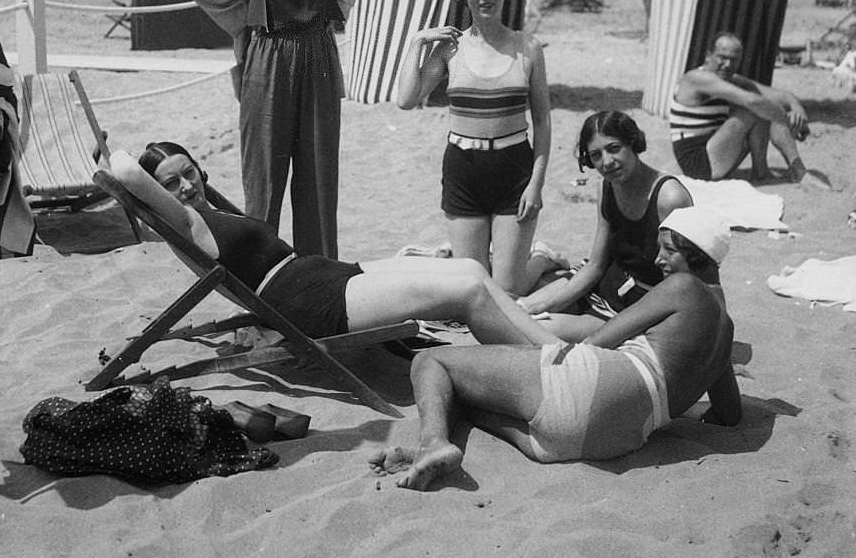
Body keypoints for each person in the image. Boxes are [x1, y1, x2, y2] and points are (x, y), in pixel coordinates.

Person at [368, 205, 741, 488]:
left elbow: (602, 338)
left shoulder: (685, 288)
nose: (659, 260)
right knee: (462, 395)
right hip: (615, 439)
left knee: (432, 362)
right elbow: (728, 415)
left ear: (699, 255)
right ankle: (433, 448)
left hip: (593, 384)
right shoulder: (726, 332)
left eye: (669, 251)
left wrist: (551, 355)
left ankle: (432, 442)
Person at [132, 141, 557, 348]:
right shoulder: (188, 224)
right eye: (170, 183)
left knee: (471, 270)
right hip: (307, 303)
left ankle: (553, 351)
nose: (186, 186)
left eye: (188, 172)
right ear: (157, 191)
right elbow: (121, 169)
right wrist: (103, 159)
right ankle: (545, 364)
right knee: (467, 291)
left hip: (318, 275)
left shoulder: (210, 209)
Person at [185, 0, 357, 259]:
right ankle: (262, 270)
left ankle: (319, 269)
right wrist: (244, 19)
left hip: (319, 55)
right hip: (269, 56)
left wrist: (335, 13)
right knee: (264, 173)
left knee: (318, 174)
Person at [395, 0, 551, 295]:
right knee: (475, 288)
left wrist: (536, 185)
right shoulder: (451, 49)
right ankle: (536, 260)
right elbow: (406, 99)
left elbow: (542, 119)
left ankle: (541, 260)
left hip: (515, 171)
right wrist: (417, 42)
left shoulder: (528, 47)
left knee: (509, 292)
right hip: (464, 171)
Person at [515, 111, 693, 340]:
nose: (607, 162)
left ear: (632, 143)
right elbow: (596, 265)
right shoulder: (607, 188)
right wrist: (541, 305)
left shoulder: (669, 198)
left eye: (614, 148)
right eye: (596, 155)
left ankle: (543, 265)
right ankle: (543, 263)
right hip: (605, 281)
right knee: (520, 310)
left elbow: (688, 279)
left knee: (531, 332)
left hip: (637, 304)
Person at [670, 31, 825, 187]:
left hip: (715, 153)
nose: (728, 65)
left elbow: (779, 95)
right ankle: (772, 173)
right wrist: (788, 122)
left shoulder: (728, 78)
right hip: (697, 164)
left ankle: (785, 171)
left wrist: (797, 108)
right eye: (722, 58)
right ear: (708, 55)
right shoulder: (697, 78)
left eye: (734, 60)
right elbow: (752, 101)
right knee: (756, 107)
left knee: (766, 105)